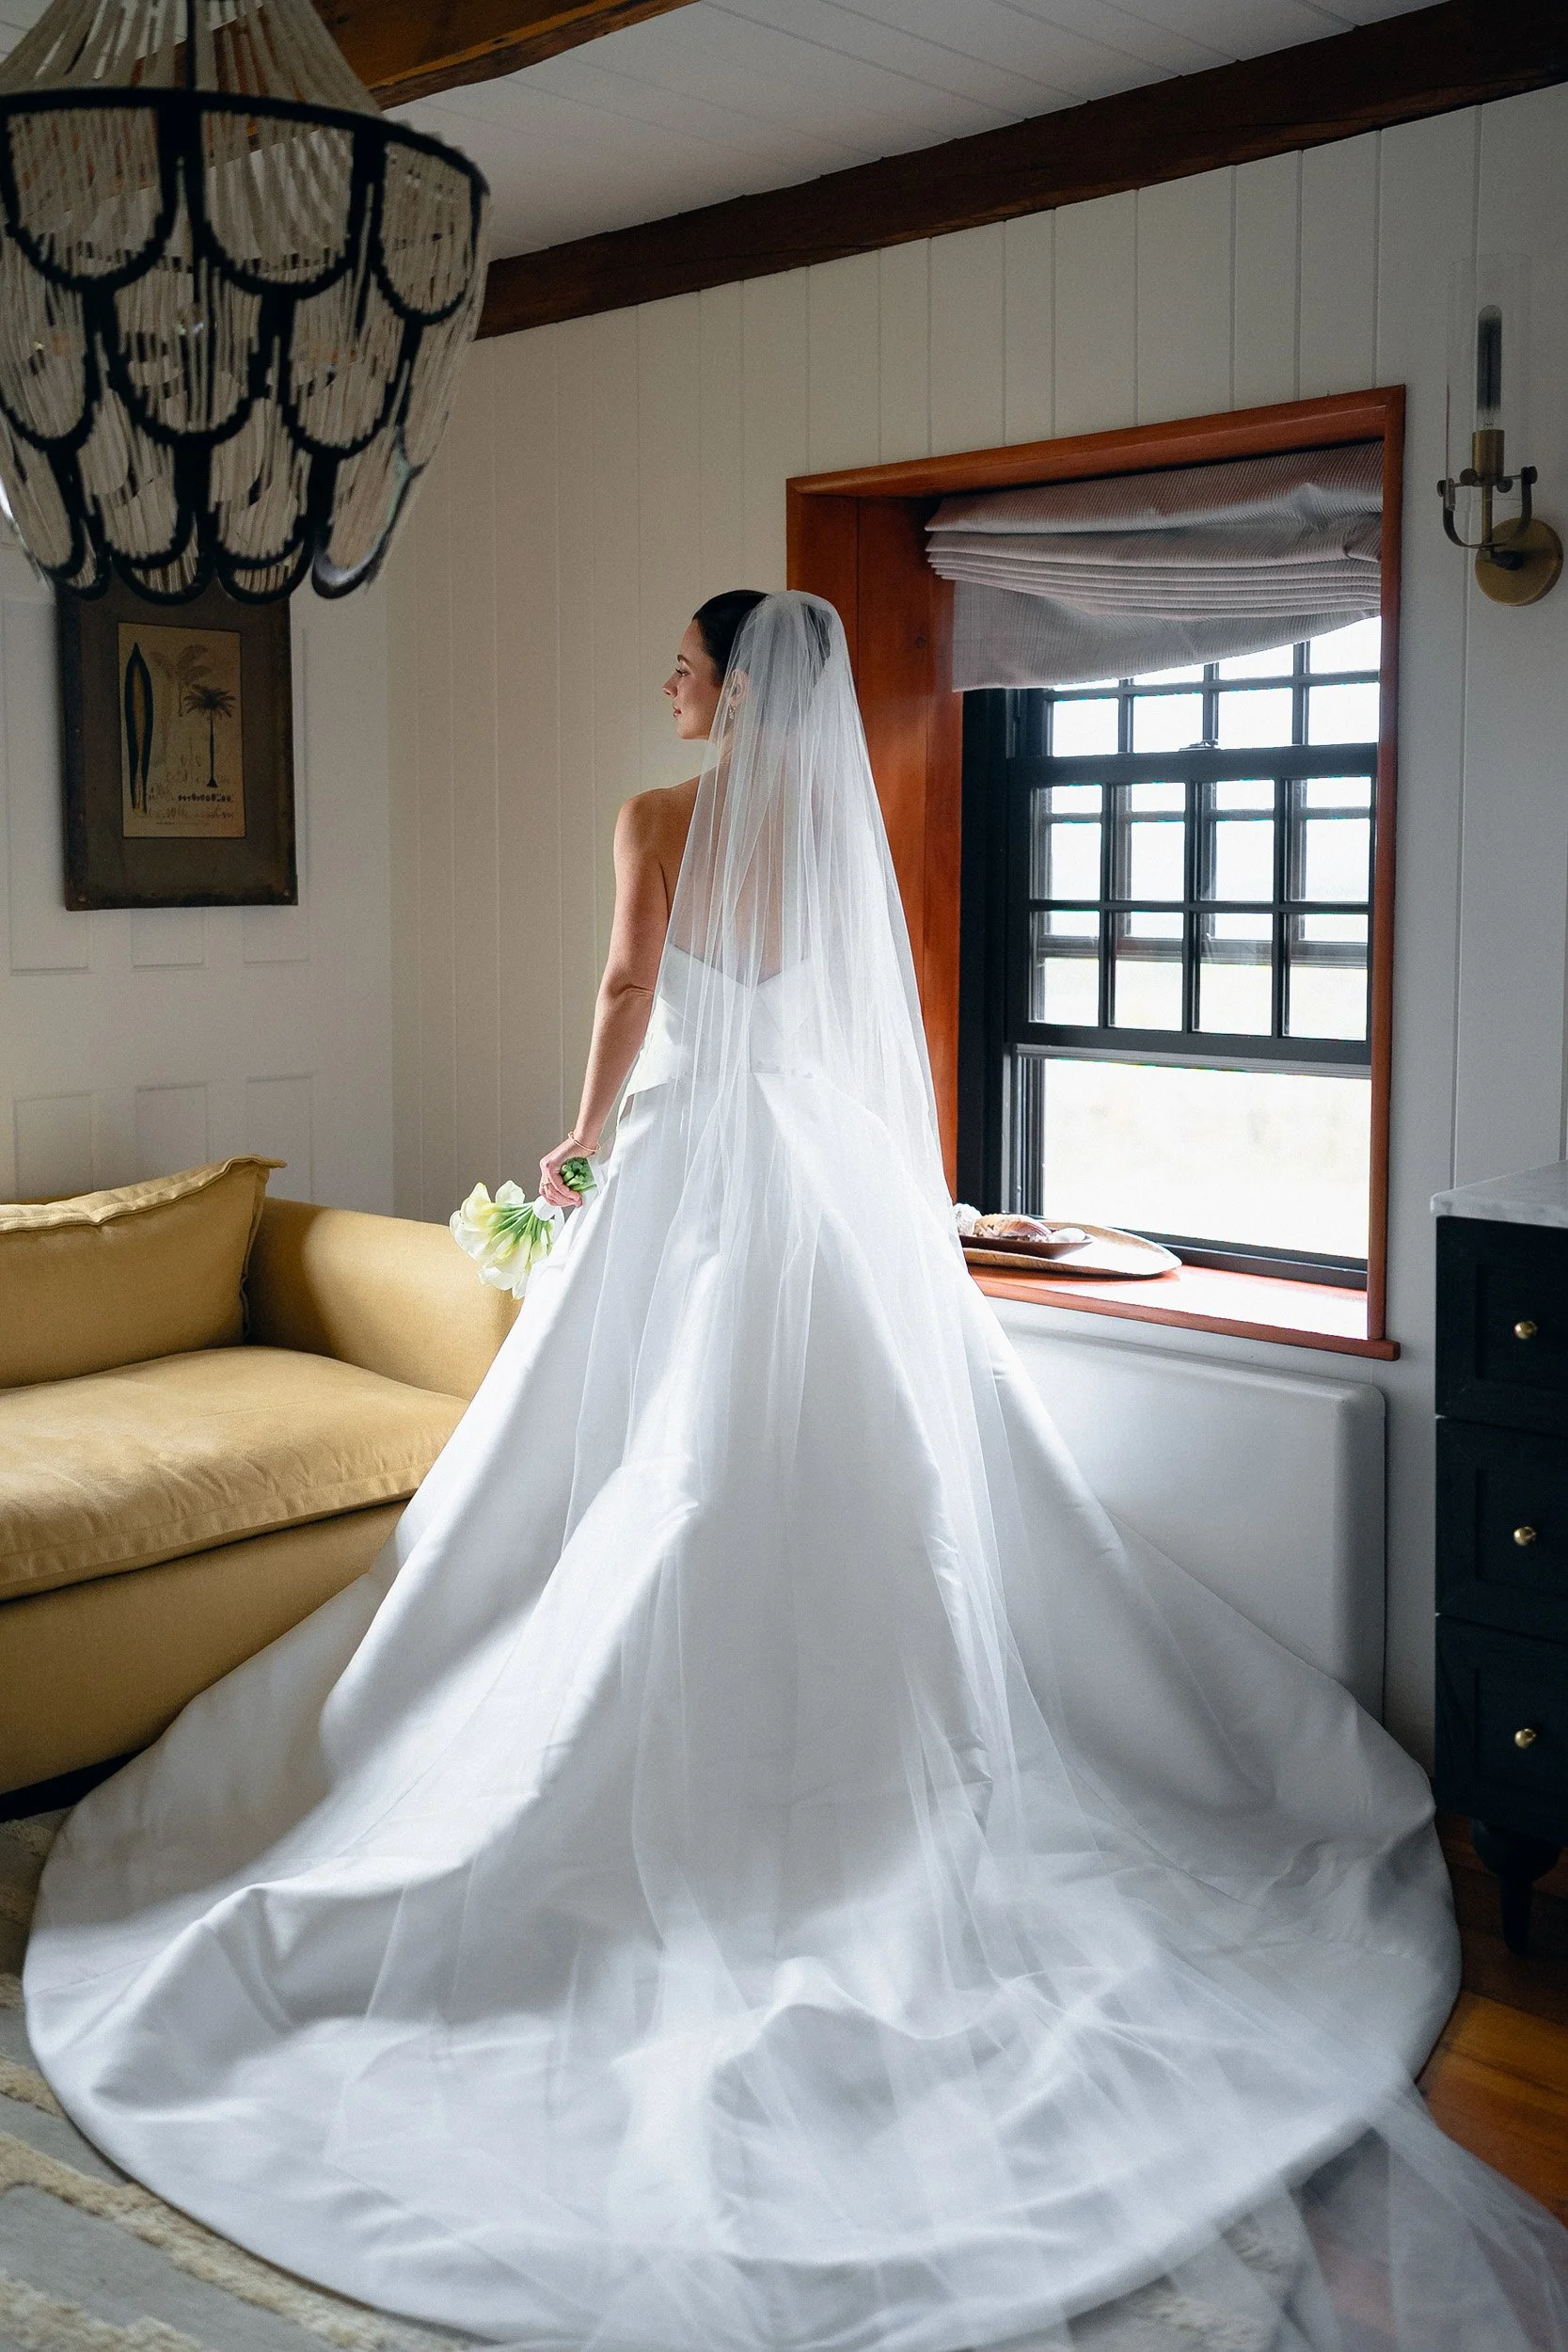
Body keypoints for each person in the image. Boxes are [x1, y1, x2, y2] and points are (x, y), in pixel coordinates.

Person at [25, 592, 1568, 2351]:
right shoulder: (834, 827)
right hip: (820, 1180)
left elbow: (627, 982)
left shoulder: (659, 822)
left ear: (737, 689)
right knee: (839, 1480)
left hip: (692, 1163)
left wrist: (584, 1133)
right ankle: (827, 1771)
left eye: (682, 666)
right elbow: (856, 1032)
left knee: (635, 1474)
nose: (666, 686)